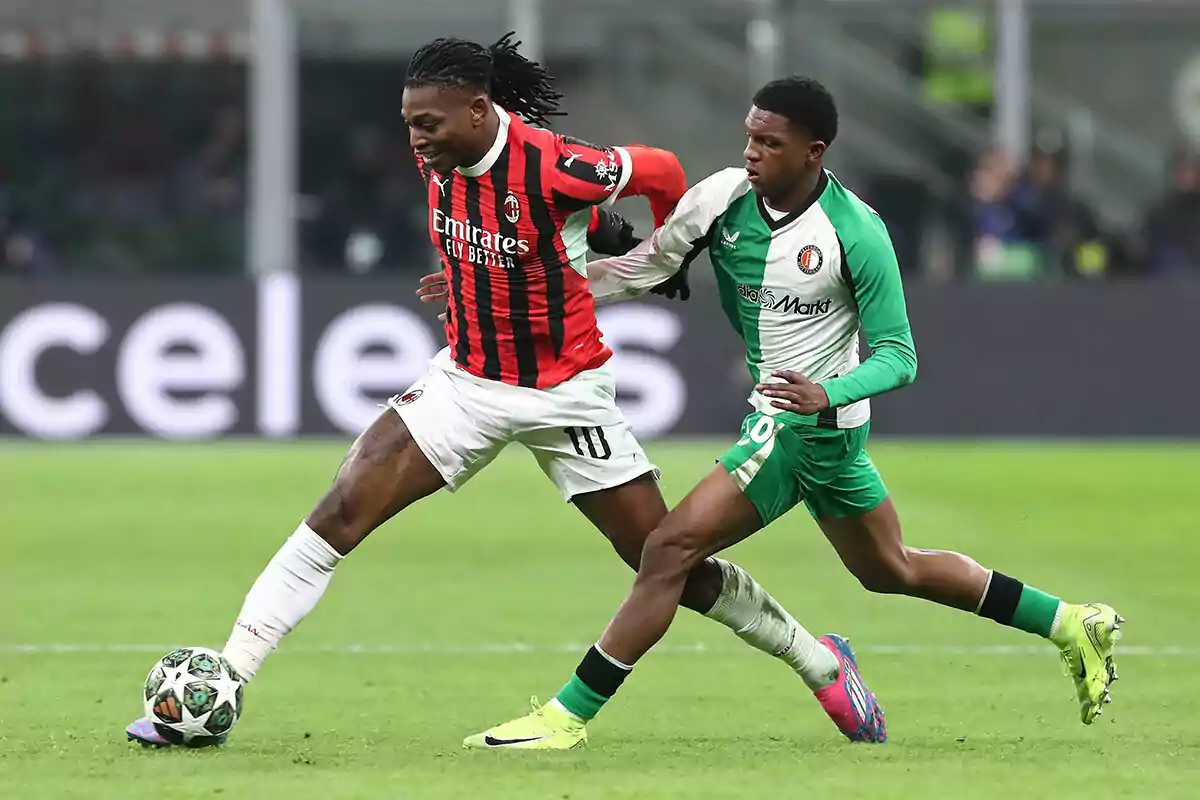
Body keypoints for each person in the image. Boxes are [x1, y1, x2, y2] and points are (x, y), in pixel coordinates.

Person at [126, 37, 875, 748]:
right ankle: (226, 679)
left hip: (569, 395)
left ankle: (819, 663)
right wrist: (468, 278)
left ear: (479, 111)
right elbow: (507, 240)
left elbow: (659, 168)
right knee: (339, 511)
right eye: (409, 123)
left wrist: (661, 255)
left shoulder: (559, 167)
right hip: (468, 382)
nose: (417, 138)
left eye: (429, 122)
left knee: (661, 560)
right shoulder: (440, 159)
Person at [462, 76, 1123, 750]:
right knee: (891, 569)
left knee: (666, 549)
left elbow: (899, 356)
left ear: (813, 152)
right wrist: (513, 288)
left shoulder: (855, 232)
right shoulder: (721, 199)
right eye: (750, 136)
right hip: (813, 430)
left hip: (803, 426)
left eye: (770, 143)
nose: (752, 152)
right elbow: (647, 267)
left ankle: (565, 717)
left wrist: (825, 393)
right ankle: (1070, 621)